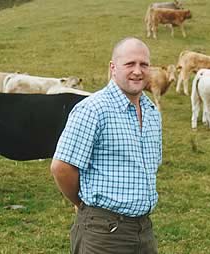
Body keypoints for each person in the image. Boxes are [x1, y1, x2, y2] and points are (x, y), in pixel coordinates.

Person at [50, 37, 162, 254]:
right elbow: (61, 167)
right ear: (113, 68)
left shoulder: (152, 112)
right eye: (130, 64)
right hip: (104, 233)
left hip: (144, 230)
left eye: (144, 64)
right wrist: (83, 205)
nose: (138, 71)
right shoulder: (93, 109)